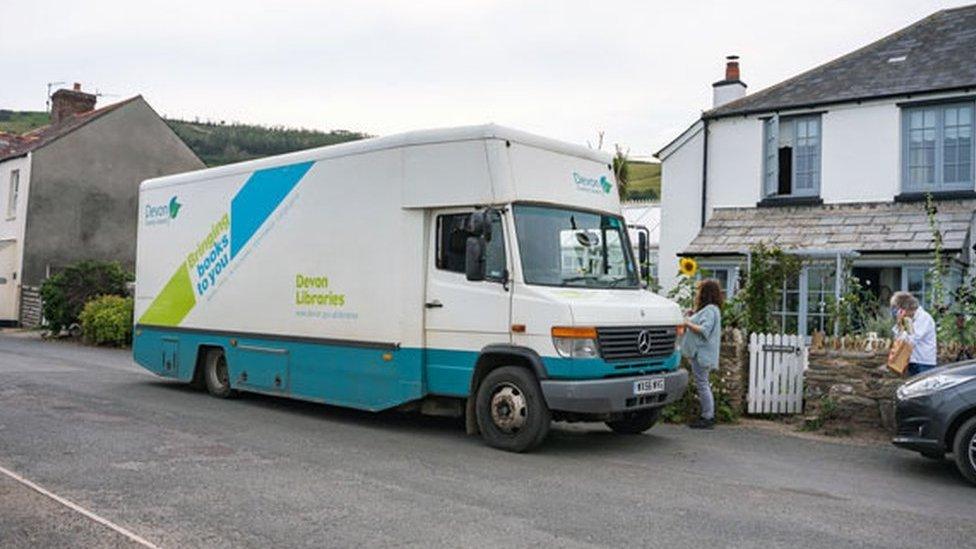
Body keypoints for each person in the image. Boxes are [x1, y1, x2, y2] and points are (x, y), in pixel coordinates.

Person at [681, 279, 723, 429]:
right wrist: (693, 315)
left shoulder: (710, 310)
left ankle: (707, 417)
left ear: (706, 293)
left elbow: (704, 330)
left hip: (701, 354)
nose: (698, 294)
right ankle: (707, 415)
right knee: (703, 384)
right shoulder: (711, 310)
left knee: (703, 384)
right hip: (701, 354)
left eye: (700, 291)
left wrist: (687, 323)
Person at [890, 291, 937, 376]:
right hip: (912, 361)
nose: (897, 312)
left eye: (898, 309)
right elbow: (898, 337)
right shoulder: (909, 319)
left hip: (923, 363)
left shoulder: (924, 318)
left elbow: (912, 339)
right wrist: (900, 323)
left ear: (905, 308)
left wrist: (904, 322)